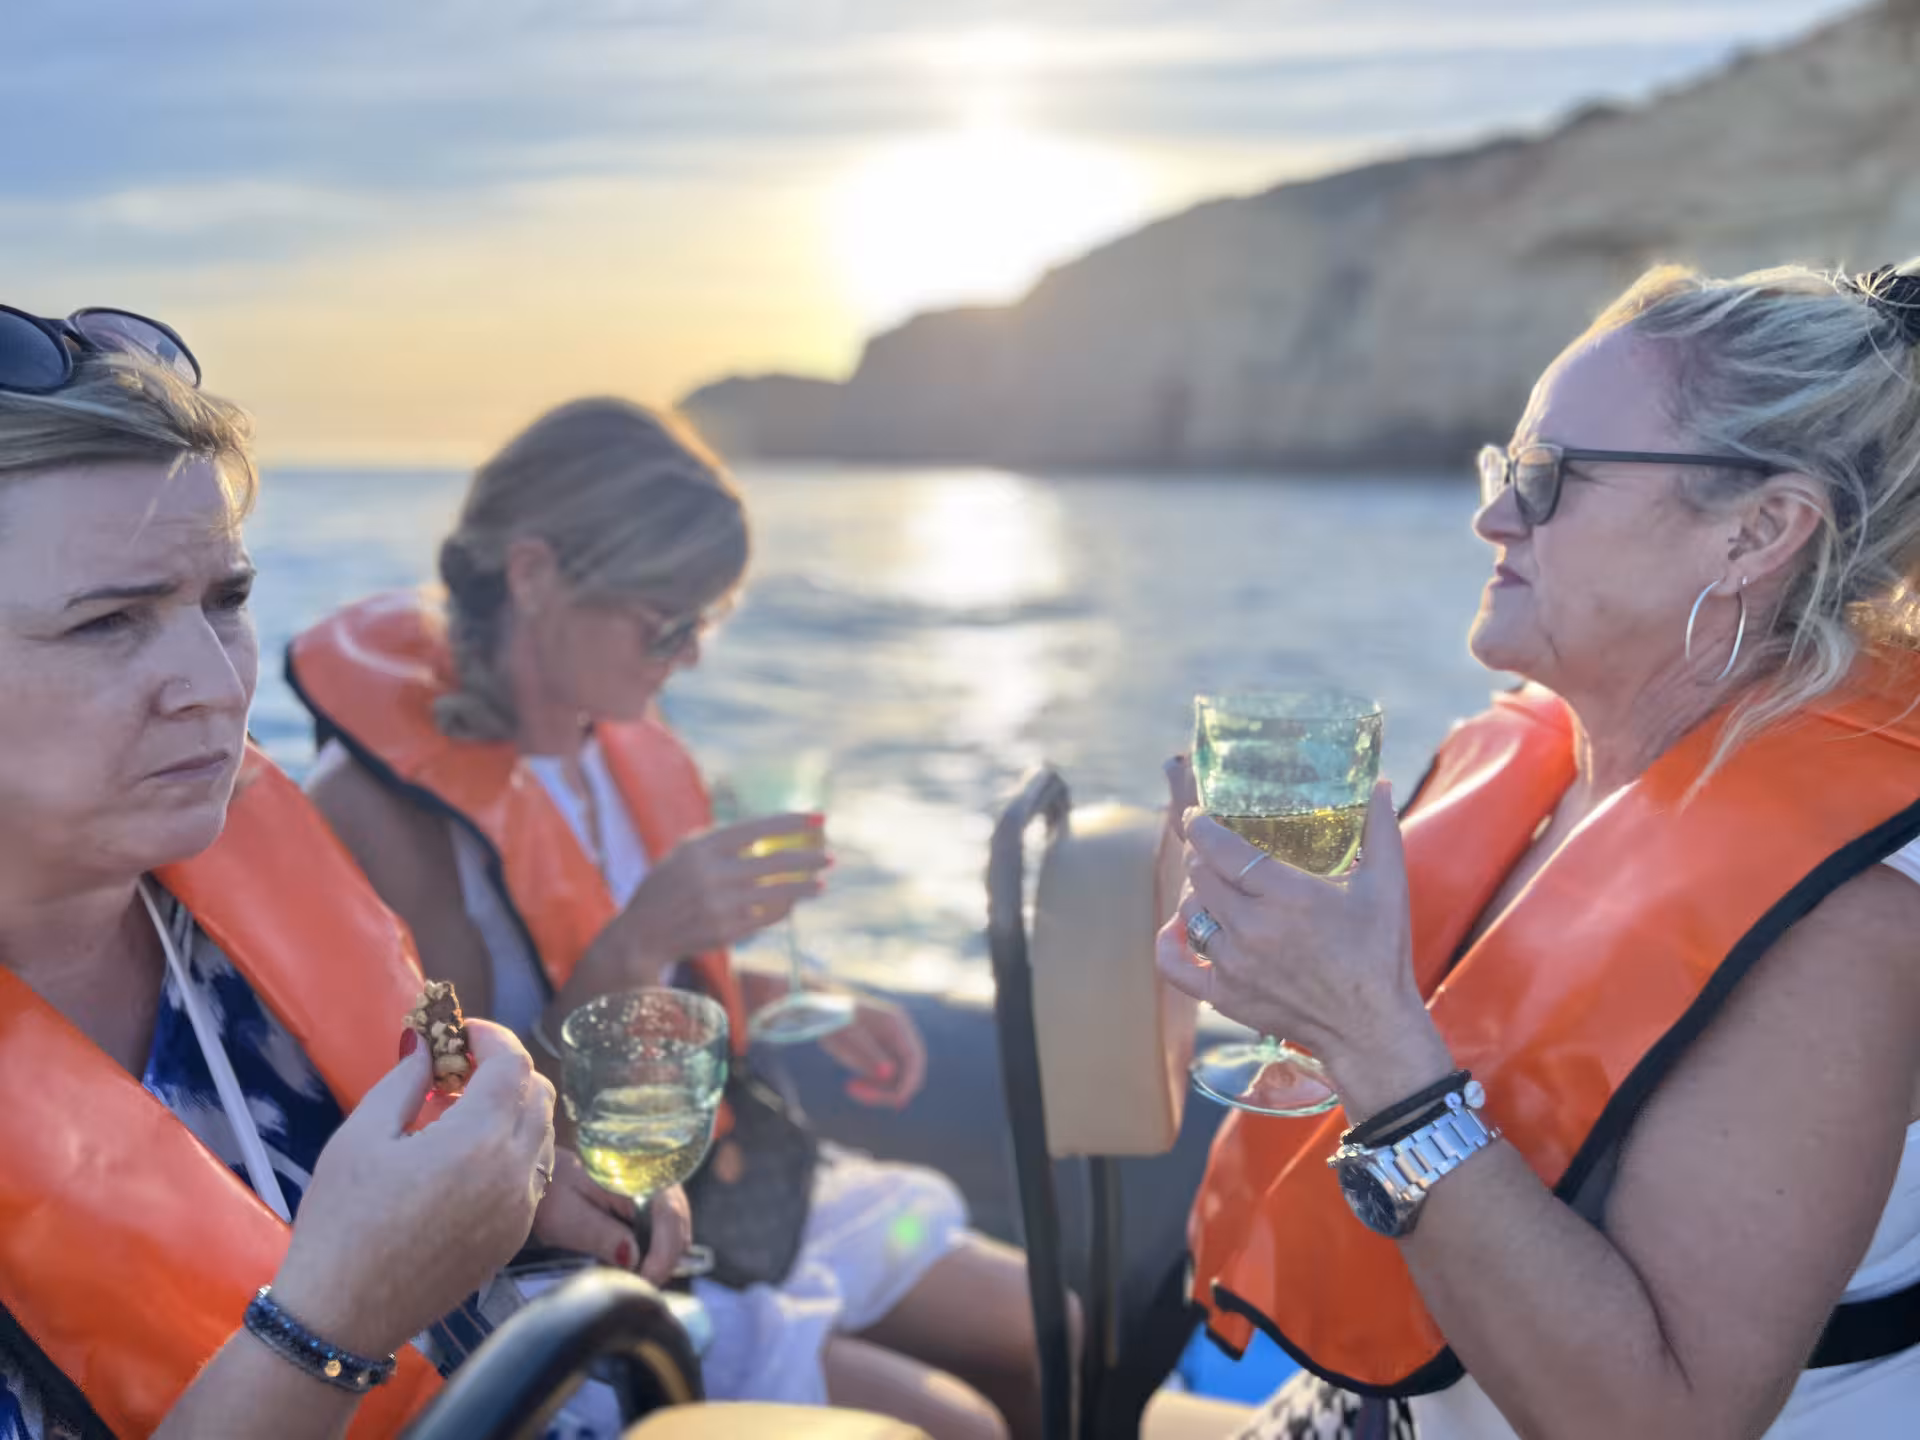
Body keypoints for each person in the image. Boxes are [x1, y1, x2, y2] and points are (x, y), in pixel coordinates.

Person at [1161, 260, 1920, 1439]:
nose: (1492, 516)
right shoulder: (1559, 771)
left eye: (1548, 477)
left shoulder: (1847, 923)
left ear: (1759, 532)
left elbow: (1658, 1421)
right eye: (1503, 465)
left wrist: (1370, 1037)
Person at [291, 398, 1057, 1440]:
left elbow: (668, 986)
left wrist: (805, 996)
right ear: (534, 575)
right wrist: (643, 937)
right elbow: (462, 1128)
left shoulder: (613, 743)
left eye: (711, 618)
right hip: (589, 1243)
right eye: (669, 622)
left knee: (1049, 1328)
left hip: (725, 1176)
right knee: (959, 1425)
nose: (691, 655)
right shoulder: (384, 809)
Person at [0, 312, 679, 1440]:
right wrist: (337, 1321)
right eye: (108, 623)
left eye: (225, 602)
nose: (215, 684)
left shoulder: (228, 895)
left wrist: (518, 1199)